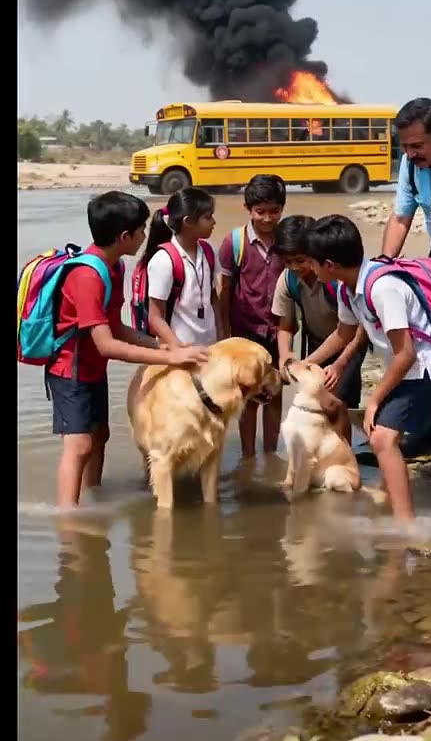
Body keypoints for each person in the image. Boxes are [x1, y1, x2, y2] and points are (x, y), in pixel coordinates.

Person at [46, 191, 209, 509]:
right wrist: (169, 357)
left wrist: (160, 344)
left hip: (92, 367)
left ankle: (92, 496)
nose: (145, 236)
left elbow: (116, 327)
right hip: (69, 369)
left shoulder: (114, 267)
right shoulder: (87, 276)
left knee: (99, 435)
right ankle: (69, 520)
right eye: (141, 230)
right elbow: (106, 344)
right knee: (79, 445)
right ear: (124, 237)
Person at [302, 214, 431, 523]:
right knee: (382, 438)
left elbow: (406, 353)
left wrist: (374, 399)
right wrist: (305, 363)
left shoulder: (383, 288)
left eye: (312, 263)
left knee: (382, 439)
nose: (310, 270)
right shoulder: (347, 288)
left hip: (424, 368)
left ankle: (405, 524)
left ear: (329, 264)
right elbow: (342, 334)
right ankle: (390, 501)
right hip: (402, 368)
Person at [382, 98, 431, 479]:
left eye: (417, 146)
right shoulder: (411, 165)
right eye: (405, 147)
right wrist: (383, 269)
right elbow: (401, 218)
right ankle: (428, 434)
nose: (410, 154)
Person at [271, 215, 369, 444]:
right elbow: (285, 326)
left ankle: (344, 452)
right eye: (287, 261)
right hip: (318, 343)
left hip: (350, 344)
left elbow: (358, 328)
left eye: (300, 260)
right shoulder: (288, 281)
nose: (295, 267)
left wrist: (340, 363)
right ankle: (322, 451)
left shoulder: (335, 280)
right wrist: (285, 357)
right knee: (315, 401)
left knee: (338, 402)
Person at [218, 174, 286, 458]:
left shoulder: (287, 240)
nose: (267, 218)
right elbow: (224, 290)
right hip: (245, 332)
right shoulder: (235, 242)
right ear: (248, 209)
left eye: (274, 211)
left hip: (279, 330)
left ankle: (270, 455)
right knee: (248, 396)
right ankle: (248, 456)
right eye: (260, 212)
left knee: (275, 394)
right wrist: (224, 334)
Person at [143, 187, 222, 347]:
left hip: (210, 346)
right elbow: (155, 317)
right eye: (208, 217)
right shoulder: (164, 260)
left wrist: (222, 336)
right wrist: (178, 349)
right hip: (180, 348)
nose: (214, 222)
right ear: (188, 222)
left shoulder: (209, 252)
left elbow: (213, 298)